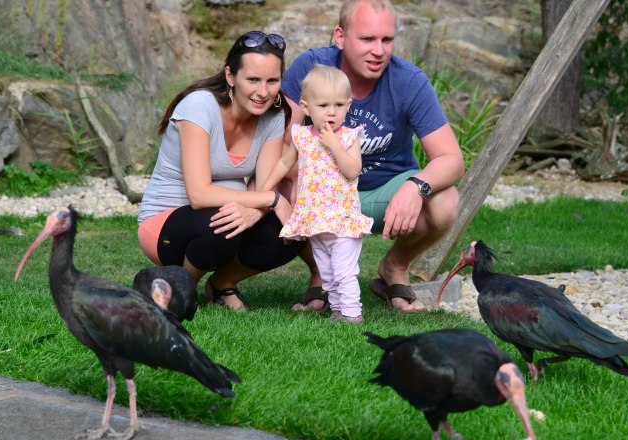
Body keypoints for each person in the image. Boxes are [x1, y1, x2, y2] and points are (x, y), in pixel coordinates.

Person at [280, 0, 465, 313]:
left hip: (382, 192)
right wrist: (298, 179)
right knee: (278, 185)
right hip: (323, 192)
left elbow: (452, 159)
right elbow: (283, 141)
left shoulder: (409, 81)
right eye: (367, 39)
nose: (378, 51)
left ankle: (395, 267)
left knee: (445, 201)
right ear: (340, 37)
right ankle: (320, 275)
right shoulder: (312, 68)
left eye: (387, 40)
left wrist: (415, 187)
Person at [138, 31, 304, 311]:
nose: (263, 92)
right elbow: (199, 196)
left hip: (224, 217)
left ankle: (221, 284)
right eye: (253, 79)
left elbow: (266, 183)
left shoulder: (273, 115)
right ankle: (180, 287)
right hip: (166, 224)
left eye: (272, 81)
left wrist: (255, 211)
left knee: (292, 230)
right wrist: (272, 200)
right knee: (223, 221)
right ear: (230, 76)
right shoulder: (199, 106)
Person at [259, 65, 373, 323]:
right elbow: (283, 163)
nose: (331, 112)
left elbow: (353, 170)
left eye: (338, 105)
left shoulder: (348, 137)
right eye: (322, 105)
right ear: (306, 107)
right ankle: (337, 310)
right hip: (315, 220)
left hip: (342, 220)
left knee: (344, 271)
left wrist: (334, 146)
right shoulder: (302, 137)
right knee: (327, 272)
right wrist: (265, 188)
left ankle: (352, 313)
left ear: (348, 105)